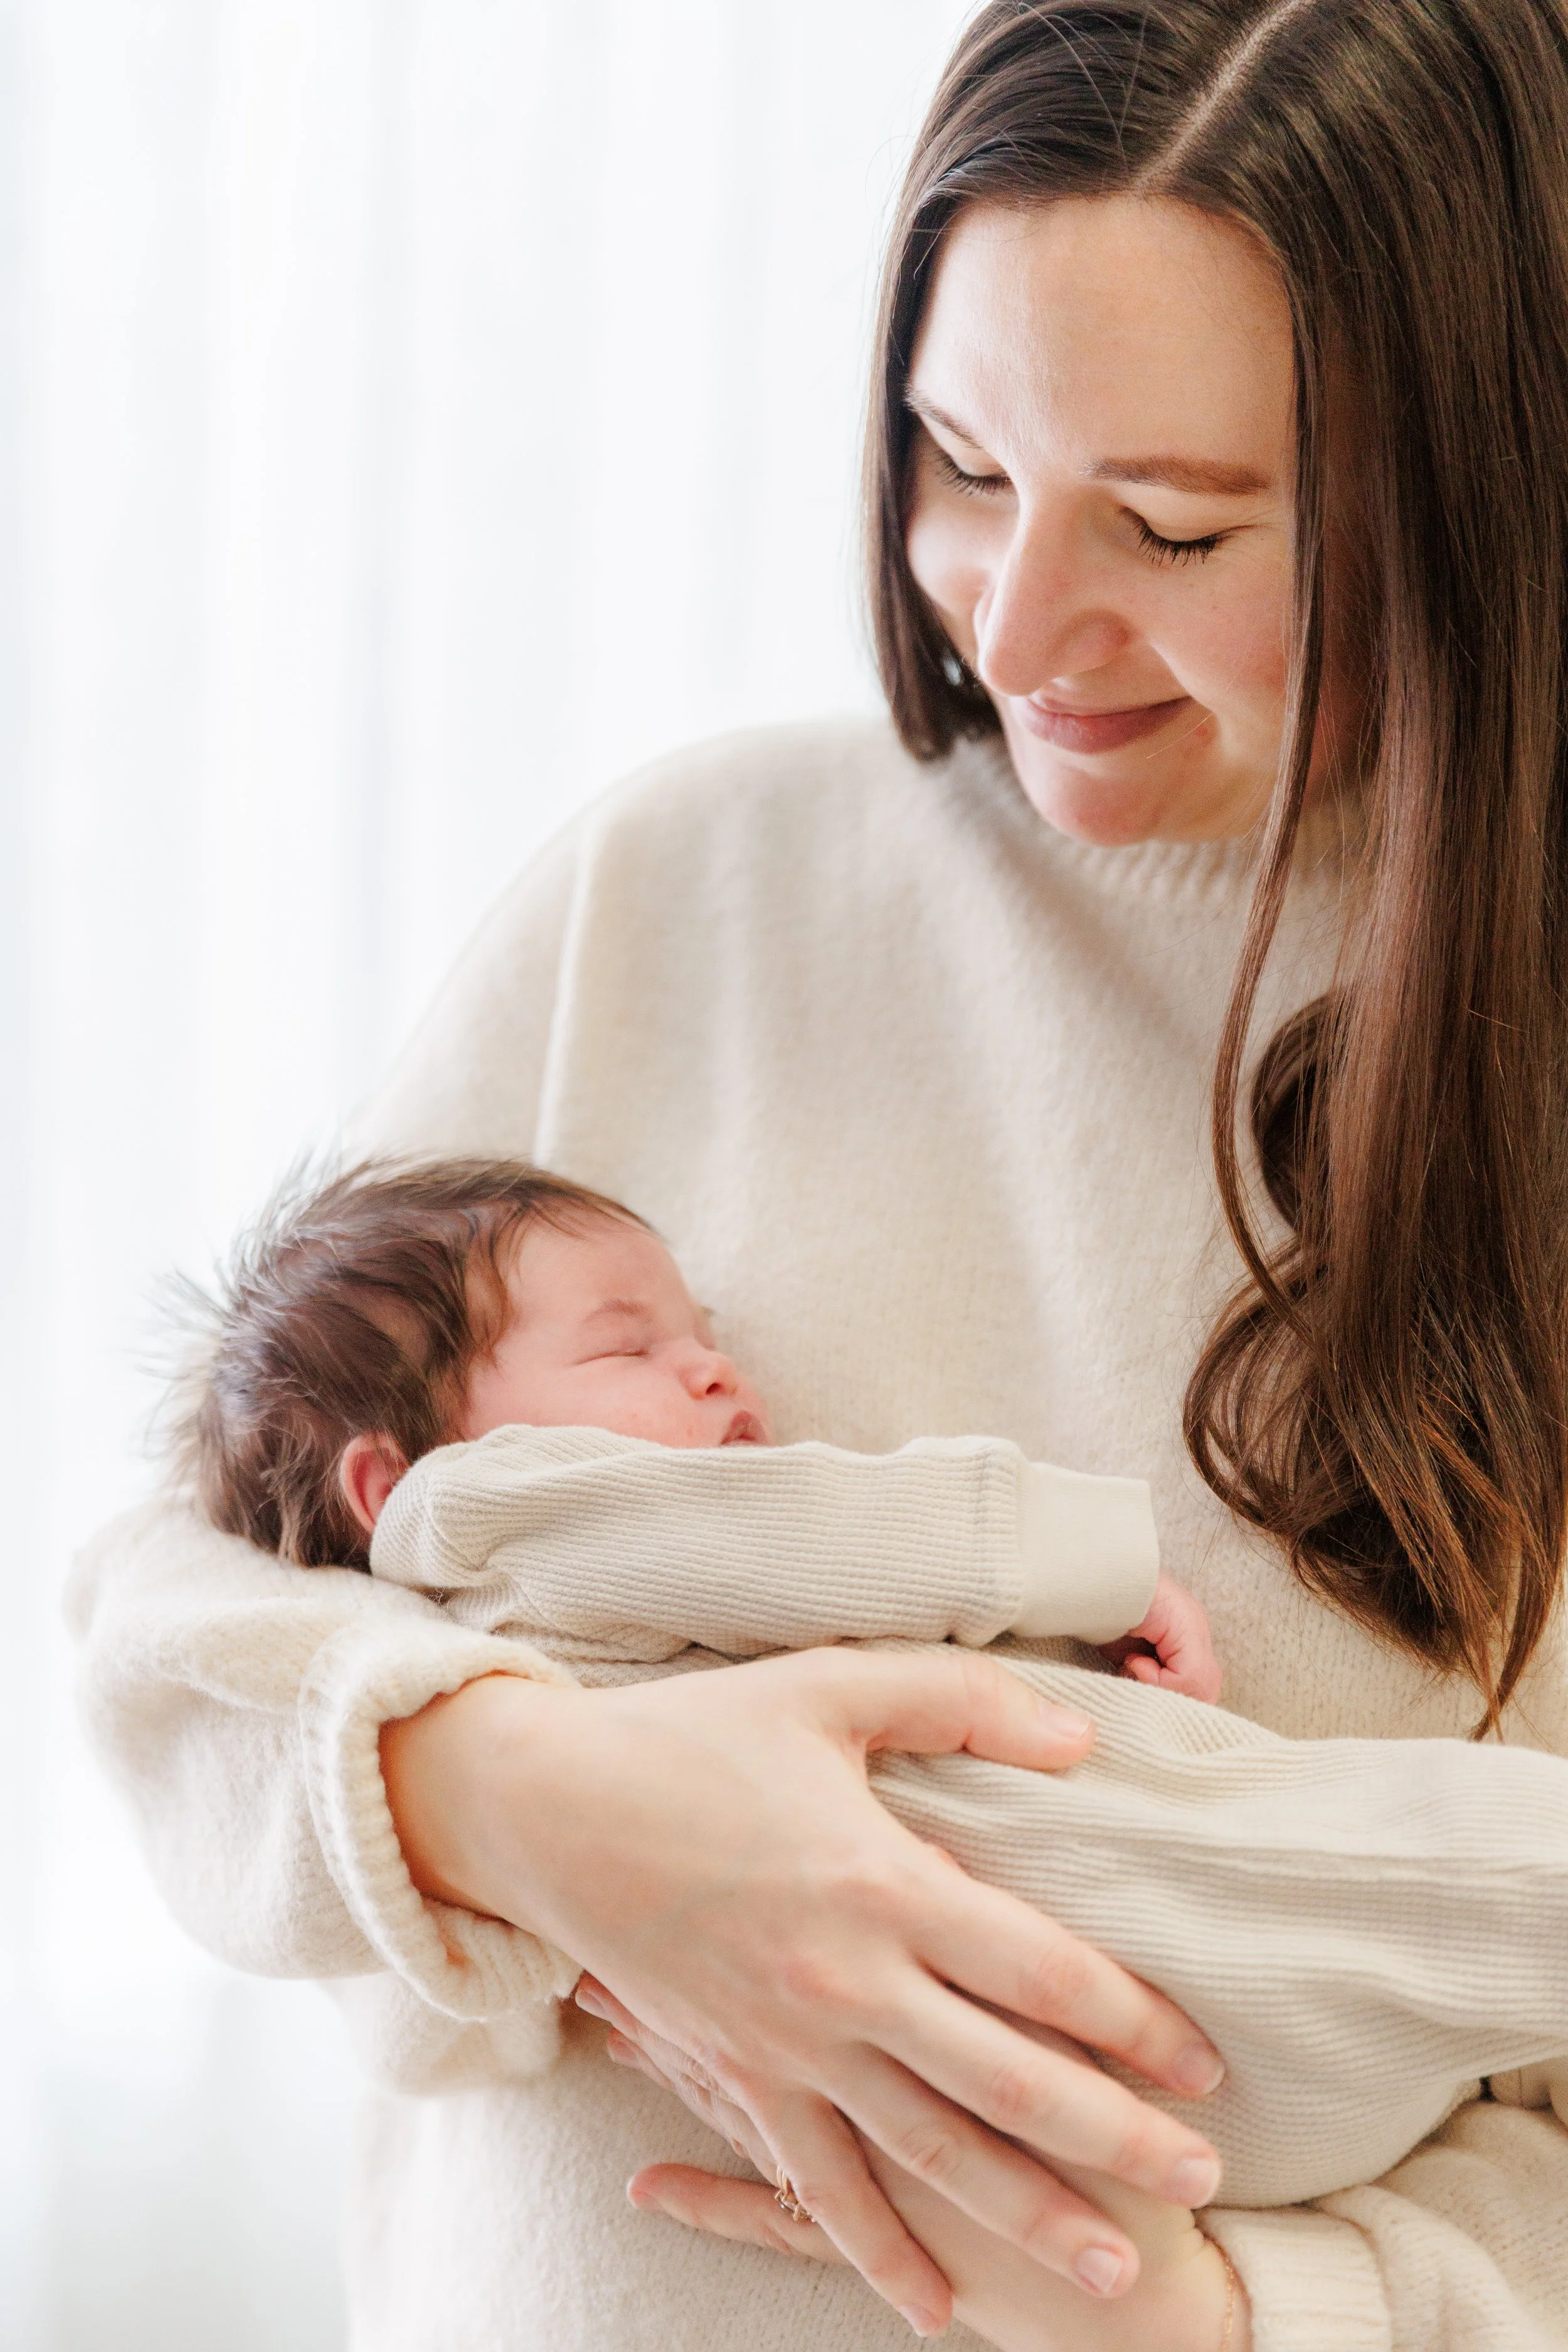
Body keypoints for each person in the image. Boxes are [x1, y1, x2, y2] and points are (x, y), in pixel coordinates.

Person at [68, 1, 1568, 2346]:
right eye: (958, 459)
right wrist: (528, 1802)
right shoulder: (685, 888)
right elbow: (171, 1627)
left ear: (1492, 481)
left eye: (1174, 526)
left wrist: (1228, 2316)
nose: (1016, 621)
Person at [167, 1147, 1568, 2220]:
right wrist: (1095, 1568)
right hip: (1160, 1934)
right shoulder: (495, 1521)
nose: (707, 1362)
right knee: (1482, 1853)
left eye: (696, 1327)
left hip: (1147, 2112)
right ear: (390, 1482)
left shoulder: (541, 1643)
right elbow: (823, 1533)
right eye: (624, 1346)